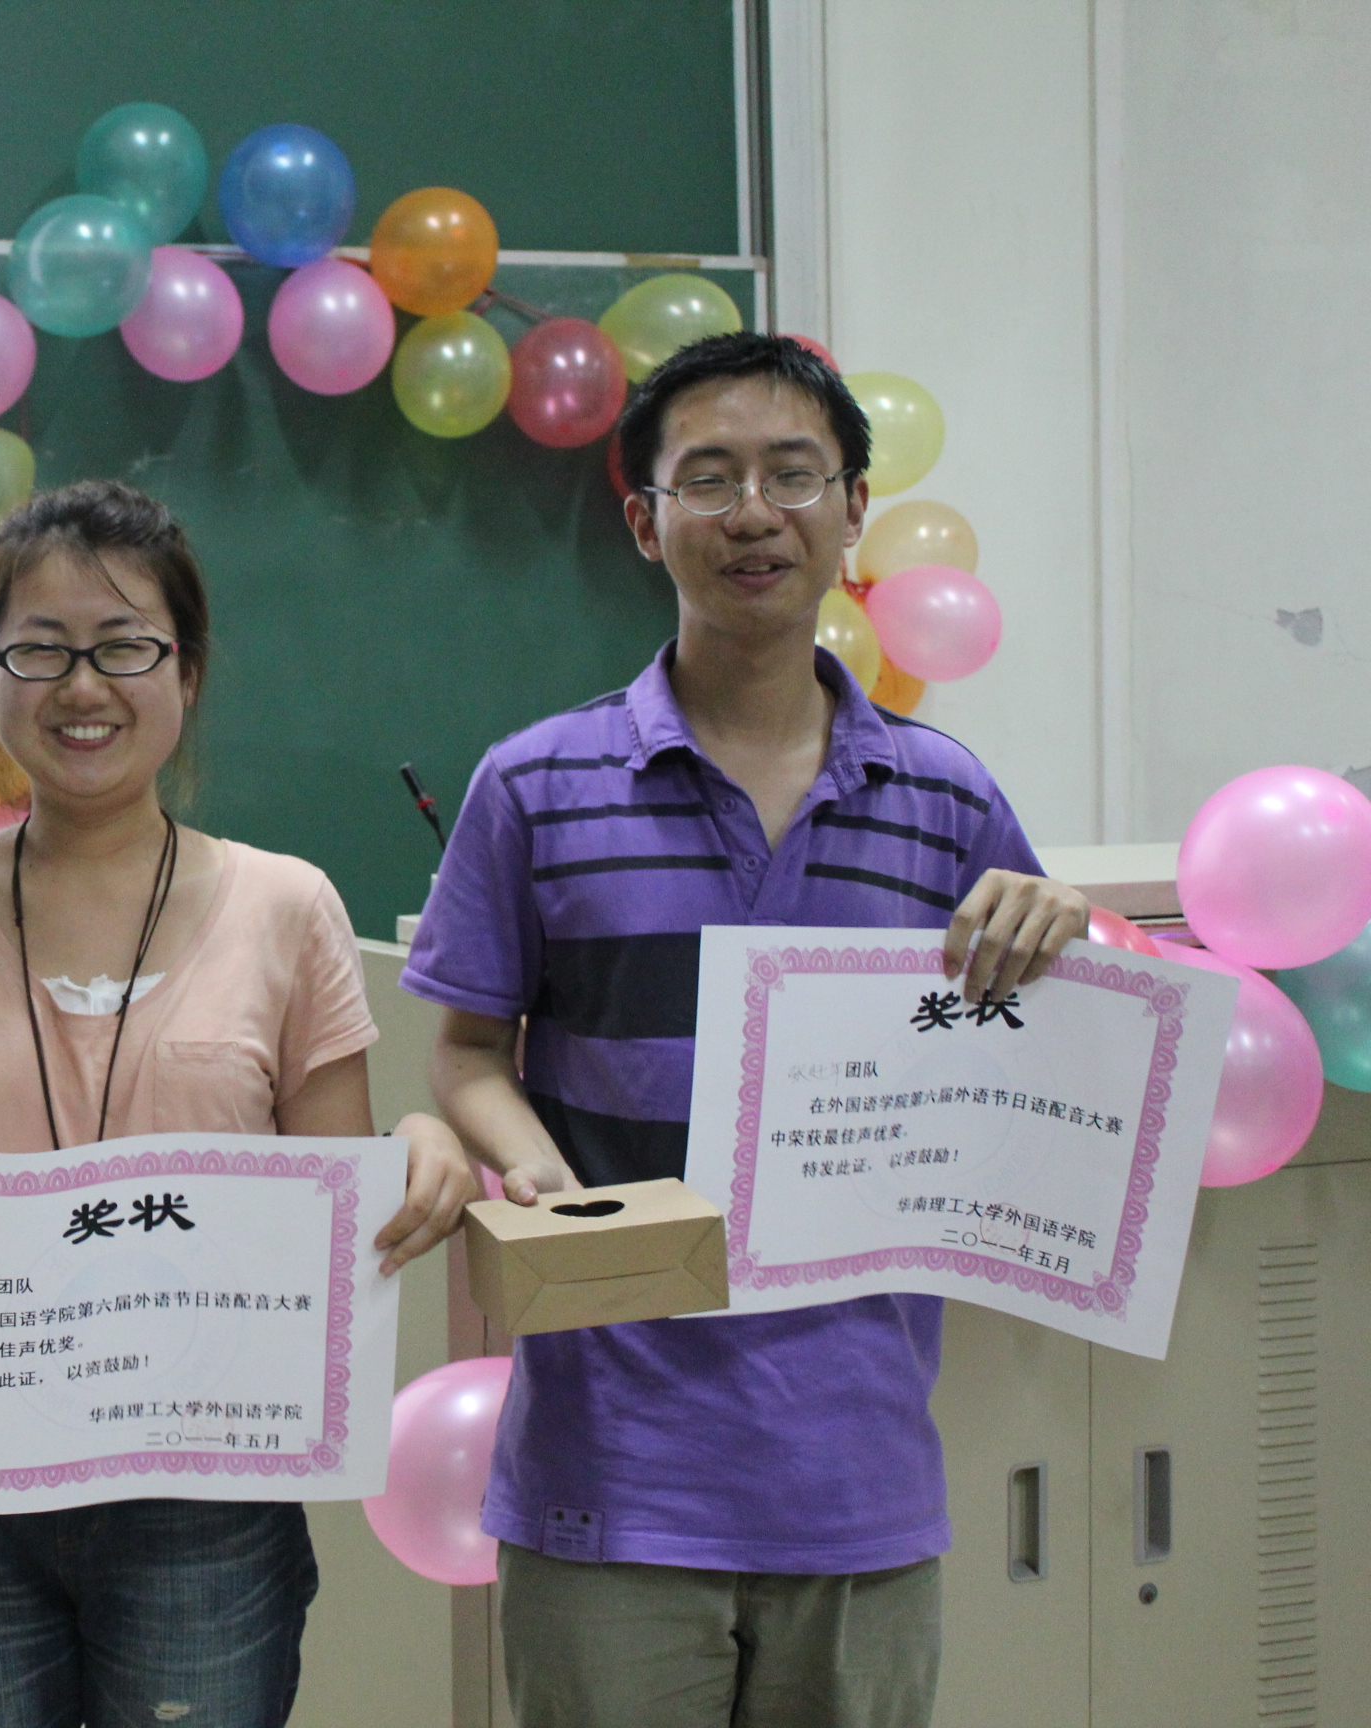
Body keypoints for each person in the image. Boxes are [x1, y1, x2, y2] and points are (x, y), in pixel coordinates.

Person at [403, 333, 1089, 1728]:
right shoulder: (535, 785)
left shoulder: (948, 801)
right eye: (708, 479)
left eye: (793, 474)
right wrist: (534, 1168)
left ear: (853, 508)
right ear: (644, 521)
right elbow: (468, 1050)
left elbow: (1036, 1064)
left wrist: (1064, 928)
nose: (754, 514)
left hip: (859, 1478)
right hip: (610, 1466)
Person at [0, 479, 481, 1728]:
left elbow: (325, 1208)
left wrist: (418, 1143)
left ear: (188, 672)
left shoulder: (287, 907)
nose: (83, 686)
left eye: (124, 647)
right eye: (39, 649)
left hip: (203, 1497)